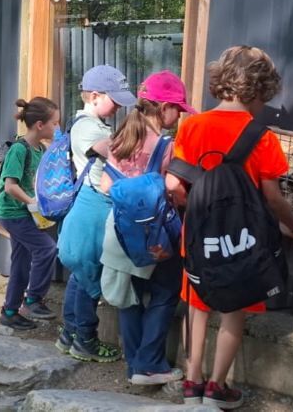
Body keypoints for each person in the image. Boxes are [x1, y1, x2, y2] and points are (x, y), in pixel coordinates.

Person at [166, 46, 293, 409]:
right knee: (235, 311)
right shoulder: (262, 136)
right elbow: (273, 197)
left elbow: (173, 185)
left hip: (199, 239)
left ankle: (192, 383)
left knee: (197, 307)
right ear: (260, 89)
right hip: (244, 242)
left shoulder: (191, 125)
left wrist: (194, 209)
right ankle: (217, 388)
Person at [99, 70, 196, 385]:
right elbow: (173, 187)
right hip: (156, 236)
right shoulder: (165, 146)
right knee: (166, 294)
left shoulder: (121, 137)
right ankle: (150, 365)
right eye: (178, 109)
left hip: (121, 233)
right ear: (164, 107)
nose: (179, 116)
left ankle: (135, 366)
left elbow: (105, 185)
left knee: (130, 298)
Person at [56, 65, 136, 362]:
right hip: (93, 208)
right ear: (94, 96)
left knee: (80, 276)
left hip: (89, 207)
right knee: (90, 278)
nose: (118, 107)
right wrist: (143, 137)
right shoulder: (88, 126)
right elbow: (112, 149)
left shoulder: (89, 123)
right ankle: (86, 340)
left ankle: (69, 334)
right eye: (114, 100)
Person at [0, 97, 61, 331]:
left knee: (21, 262)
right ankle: (33, 300)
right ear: (40, 125)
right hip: (12, 212)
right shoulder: (19, 149)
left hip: (24, 212)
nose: (58, 128)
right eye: (55, 123)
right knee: (47, 249)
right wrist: (32, 202)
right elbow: (10, 186)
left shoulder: (40, 149)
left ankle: (10, 312)